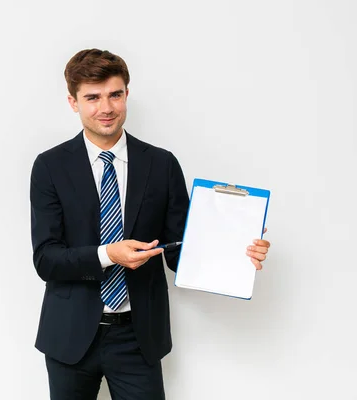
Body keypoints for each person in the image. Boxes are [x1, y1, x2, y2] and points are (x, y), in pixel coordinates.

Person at [29, 49, 270, 400]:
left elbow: (180, 251)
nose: (106, 108)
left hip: (137, 338)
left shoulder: (161, 164)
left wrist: (237, 250)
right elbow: (46, 259)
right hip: (69, 337)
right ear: (73, 102)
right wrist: (109, 254)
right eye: (92, 98)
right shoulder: (49, 166)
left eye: (115, 94)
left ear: (127, 93)